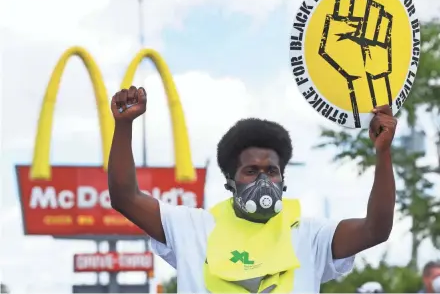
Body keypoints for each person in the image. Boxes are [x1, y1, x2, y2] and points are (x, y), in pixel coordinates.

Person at [108, 86, 397, 293]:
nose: (264, 181)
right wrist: (124, 126)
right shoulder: (193, 228)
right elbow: (125, 198)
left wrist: (383, 153)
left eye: (271, 171)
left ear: (283, 181)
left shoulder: (310, 237)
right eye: (251, 171)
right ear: (230, 183)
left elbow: (376, 229)